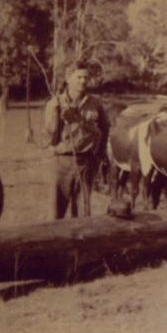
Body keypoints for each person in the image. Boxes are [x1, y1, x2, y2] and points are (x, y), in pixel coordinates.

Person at [43, 61, 110, 220]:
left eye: (86, 77)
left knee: (83, 213)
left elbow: (105, 128)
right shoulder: (55, 103)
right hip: (62, 163)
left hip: (87, 163)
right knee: (55, 213)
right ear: (68, 78)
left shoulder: (95, 103)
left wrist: (99, 155)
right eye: (79, 77)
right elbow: (49, 138)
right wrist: (57, 115)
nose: (83, 81)